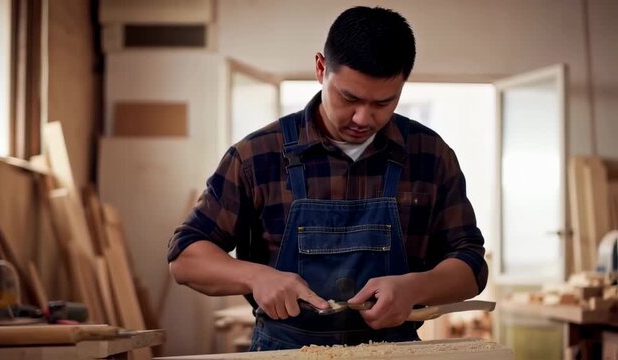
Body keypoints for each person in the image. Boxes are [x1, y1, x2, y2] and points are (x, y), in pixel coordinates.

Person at [168, 6, 488, 351]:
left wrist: (415, 288)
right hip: (284, 354)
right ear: (321, 68)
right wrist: (255, 276)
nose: (363, 118)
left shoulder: (429, 155)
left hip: (393, 353)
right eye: (349, 98)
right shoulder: (256, 156)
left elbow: (470, 263)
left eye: (384, 102)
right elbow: (185, 257)